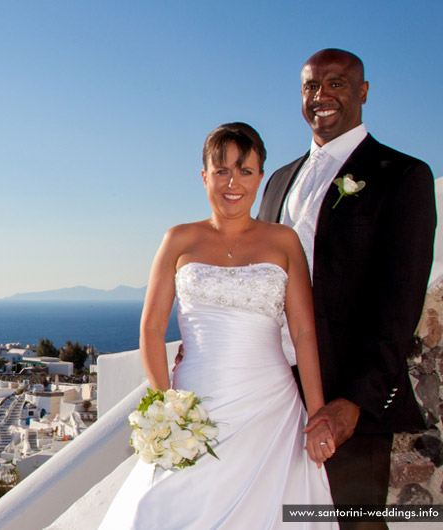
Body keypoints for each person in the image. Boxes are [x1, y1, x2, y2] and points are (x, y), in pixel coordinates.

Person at [98, 122, 336, 529]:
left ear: (261, 177)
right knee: (163, 507)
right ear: (204, 175)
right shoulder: (179, 239)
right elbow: (152, 329)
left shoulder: (284, 242)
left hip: (271, 409)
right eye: (222, 170)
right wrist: (165, 406)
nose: (233, 182)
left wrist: (316, 416)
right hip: (196, 403)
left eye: (246, 171)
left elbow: (303, 333)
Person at [258, 49, 436, 529]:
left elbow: (399, 305)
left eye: (336, 84)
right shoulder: (276, 181)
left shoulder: (401, 176)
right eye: (311, 86)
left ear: (363, 93)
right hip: (270, 390)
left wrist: (355, 401)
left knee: (351, 522)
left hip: (346, 395)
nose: (322, 96)